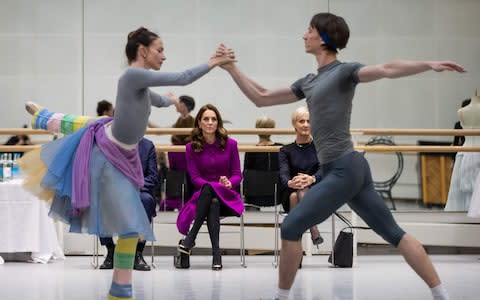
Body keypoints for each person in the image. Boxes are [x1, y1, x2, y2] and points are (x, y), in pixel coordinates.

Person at [218, 12, 465, 300]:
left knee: (291, 226)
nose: (304, 35)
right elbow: (261, 96)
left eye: (309, 30)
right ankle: (442, 295)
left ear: (322, 38)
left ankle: (281, 297)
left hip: (345, 169)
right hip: (349, 169)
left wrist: (428, 65)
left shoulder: (345, 72)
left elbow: (385, 68)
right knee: (393, 233)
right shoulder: (309, 81)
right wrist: (232, 69)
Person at [19, 27, 234, 300]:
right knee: (92, 130)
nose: (164, 56)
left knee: (131, 226)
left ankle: (120, 291)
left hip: (126, 155)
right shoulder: (132, 75)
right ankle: (120, 292)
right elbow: (182, 78)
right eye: (160, 50)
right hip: (109, 153)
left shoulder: (141, 87)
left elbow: (158, 99)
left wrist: (172, 102)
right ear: (142, 51)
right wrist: (213, 62)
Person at [175, 104, 244, 271]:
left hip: (227, 198)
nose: (210, 122)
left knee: (212, 194)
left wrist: (229, 183)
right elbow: (195, 178)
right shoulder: (191, 148)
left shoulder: (231, 144)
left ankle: (190, 240)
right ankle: (216, 255)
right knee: (212, 200)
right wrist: (213, 186)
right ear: (199, 122)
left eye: (214, 119)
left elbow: (237, 174)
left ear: (218, 123)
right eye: (206, 119)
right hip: (202, 199)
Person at [98, 137, 158, 271]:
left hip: (139, 191)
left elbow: (153, 177)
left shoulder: (148, 146)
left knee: (146, 200)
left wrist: (133, 185)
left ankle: (138, 252)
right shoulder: (108, 144)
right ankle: (111, 251)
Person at [279, 106, 323, 253]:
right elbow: (284, 174)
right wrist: (290, 182)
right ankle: (313, 229)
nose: (305, 125)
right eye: (301, 121)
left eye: (309, 121)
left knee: (296, 197)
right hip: (292, 189)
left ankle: (294, 250)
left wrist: (311, 178)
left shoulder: (320, 148)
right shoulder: (285, 150)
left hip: (316, 192)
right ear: (294, 124)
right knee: (296, 192)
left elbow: (325, 170)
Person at [159, 94, 196, 211]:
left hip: (185, 158)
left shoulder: (192, 120)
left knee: (186, 178)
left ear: (184, 105)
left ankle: (185, 199)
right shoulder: (179, 120)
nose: (176, 104)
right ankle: (176, 198)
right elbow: (161, 131)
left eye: (179, 102)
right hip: (177, 158)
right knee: (175, 176)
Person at [446, 94, 480, 216]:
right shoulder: (461, 112)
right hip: (465, 152)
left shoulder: (463, 112)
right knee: (463, 189)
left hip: (466, 151)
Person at [243, 116, 283, 208]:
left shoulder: (250, 150)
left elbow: (246, 176)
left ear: (257, 129)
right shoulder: (281, 148)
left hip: (254, 198)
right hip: (277, 197)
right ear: (273, 129)